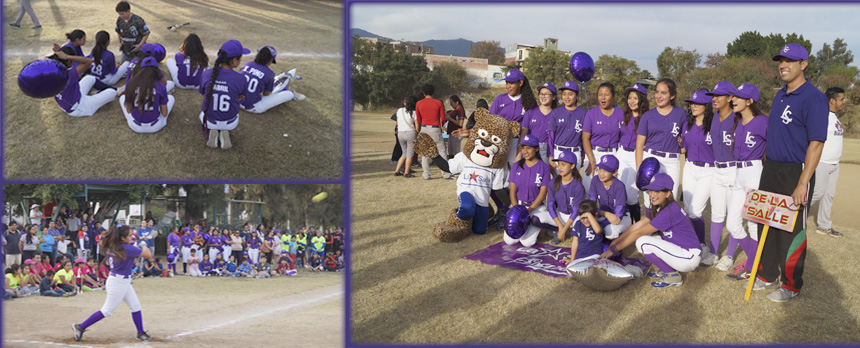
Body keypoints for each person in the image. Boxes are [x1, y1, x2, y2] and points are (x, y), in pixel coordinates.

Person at [755, 44, 828, 302]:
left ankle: (791, 284)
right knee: (767, 222)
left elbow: (816, 144)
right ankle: (766, 274)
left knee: (791, 229)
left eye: (790, 60)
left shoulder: (814, 98)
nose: (783, 65)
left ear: (803, 64)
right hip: (772, 168)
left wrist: (803, 182)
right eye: (780, 60)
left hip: (795, 171)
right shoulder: (780, 95)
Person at [600, 173, 701, 288]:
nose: (652, 195)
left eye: (657, 191)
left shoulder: (670, 211)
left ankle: (672, 276)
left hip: (688, 257)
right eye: (651, 190)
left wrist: (614, 250)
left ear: (668, 193)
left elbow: (639, 232)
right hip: (682, 250)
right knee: (651, 238)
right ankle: (669, 270)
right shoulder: (660, 206)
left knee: (642, 242)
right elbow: (635, 227)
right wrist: (615, 242)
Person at [73, 225, 152, 341]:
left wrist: (136, 247)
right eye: (129, 236)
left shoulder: (113, 246)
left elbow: (133, 259)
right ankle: (80, 327)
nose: (132, 237)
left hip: (122, 281)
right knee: (107, 310)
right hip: (118, 282)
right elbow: (148, 254)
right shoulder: (127, 248)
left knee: (135, 306)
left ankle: (140, 332)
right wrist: (144, 244)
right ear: (122, 238)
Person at [723, 83, 768, 281]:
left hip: (755, 172)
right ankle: (755, 260)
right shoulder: (737, 122)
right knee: (732, 224)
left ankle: (752, 265)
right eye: (733, 97)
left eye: (738, 97)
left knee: (753, 224)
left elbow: (774, 148)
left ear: (750, 101)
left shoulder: (763, 122)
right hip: (738, 173)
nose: (733, 100)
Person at [706, 81, 741, 270]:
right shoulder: (714, 117)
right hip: (717, 169)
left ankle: (729, 256)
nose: (715, 98)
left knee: (733, 217)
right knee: (717, 213)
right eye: (714, 95)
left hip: (734, 170)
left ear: (730, 98)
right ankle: (712, 253)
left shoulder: (738, 118)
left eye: (720, 95)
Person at [680, 90, 717, 265]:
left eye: (697, 103)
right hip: (690, 167)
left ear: (706, 106)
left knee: (696, 210)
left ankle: (702, 245)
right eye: (691, 103)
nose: (693, 106)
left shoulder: (714, 125)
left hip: (709, 170)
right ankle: (692, 242)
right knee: (688, 208)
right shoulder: (687, 125)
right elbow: (684, 149)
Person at [636, 78, 686, 202]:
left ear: (672, 95)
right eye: (657, 92)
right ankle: (650, 221)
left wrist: (682, 143)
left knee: (670, 199)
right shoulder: (648, 115)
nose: (659, 96)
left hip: (672, 161)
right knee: (650, 200)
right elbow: (639, 144)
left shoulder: (681, 114)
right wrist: (638, 169)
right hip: (650, 159)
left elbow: (686, 140)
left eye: (663, 93)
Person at [199, 40, 251, 149]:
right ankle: (224, 130)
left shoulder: (207, 73)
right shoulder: (240, 78)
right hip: (230, 121)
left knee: (202, 113)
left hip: (210, 120)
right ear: (234, 60)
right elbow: (241, 98)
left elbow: (204, 95)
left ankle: (214, 129)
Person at [504, 135, 551, 247]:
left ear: (537, 149)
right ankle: (529, 225)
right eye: (523, 147)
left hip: (535, 208)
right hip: (518, 205)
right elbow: (512, 191)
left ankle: (539, 228)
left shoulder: (544, 167)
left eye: (529, 148)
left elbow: (543, 194)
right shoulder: (516, 166)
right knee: (510, 241)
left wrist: (528, 210)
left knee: (527, 243)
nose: (525, 151)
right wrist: (516, 210)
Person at [810, 87, 845, 238]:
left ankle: (824, 226)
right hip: (822, 162)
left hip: (834, 164)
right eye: (842, 99)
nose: (844, 102)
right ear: (832, 100)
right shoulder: (822, 116)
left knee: (828, 195)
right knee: (816, 193)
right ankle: (793, 216)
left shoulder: (835, 117)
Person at [50, 44, 119, 117]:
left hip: (69, 103)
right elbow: (88, 61)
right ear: (69, 60)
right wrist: (66, 56)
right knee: (112, 93)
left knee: (89, 78)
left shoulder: (52, 71)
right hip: (79, 108)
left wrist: (60, 54)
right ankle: (115, 90)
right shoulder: (69, 74)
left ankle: (107, 91)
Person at [582, 82, 624, 193]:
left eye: (606, 94)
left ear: (613, 96)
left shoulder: (620, 113)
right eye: (600, 94)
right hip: (594, 154)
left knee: (611, 192)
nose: (603, 97)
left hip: (614, 154)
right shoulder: (591, 114)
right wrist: (591, 160)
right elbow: (585, 139)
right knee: (588, 190)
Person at [239, 45, 305, 113]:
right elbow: (266, 94)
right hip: (253, 107)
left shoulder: (247, 64)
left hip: (236, 101)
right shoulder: (270, 73)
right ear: (270, 59)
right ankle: (292, 94)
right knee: (288, 93)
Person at [490, 68, 535, 165]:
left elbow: (527, 127)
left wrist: (521, 149)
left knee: (512, 172)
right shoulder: (500, 99)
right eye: (507, 82)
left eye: (511, 83)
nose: (508, 86)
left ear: (520, 83)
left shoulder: (528, 102)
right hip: (499, 141)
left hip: (516, 142)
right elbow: (490, 121)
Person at [619, 84, 650, 222]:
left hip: (636, 156)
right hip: (621, 154)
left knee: (631, 196)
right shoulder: (623, 115)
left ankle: (636, 223)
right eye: (629, 97)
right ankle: (624, 223)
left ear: (642, 100)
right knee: (619, 191)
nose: (631, 101)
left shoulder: (648, 118)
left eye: (635, 98)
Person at [121, 57, 175, 133]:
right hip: (155, 125)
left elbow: (128, 111)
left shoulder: (131, 84)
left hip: (135, 125)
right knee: (171, 98)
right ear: (157, 70)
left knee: (122, 98)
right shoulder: (160, 85)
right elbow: (164, 114)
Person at [588, 154, 631, 240]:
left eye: (606, 170)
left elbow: (618, 215)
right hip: (603, 215)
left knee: (609, 231)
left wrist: (601, 223)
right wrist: (604, 214)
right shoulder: (595, 180)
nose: (601, 173)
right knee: (586, 222)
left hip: (621, 217)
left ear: (614, 172)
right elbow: (591, 205)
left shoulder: (619, 186)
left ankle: (621, 237)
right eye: (600, 169)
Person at [548, 81, 586, 175]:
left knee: (574, 181)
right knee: (558, 182)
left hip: (575, 152)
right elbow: (551, 136)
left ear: (577, 96)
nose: (566, 97)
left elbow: (585, 137)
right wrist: (551, 155)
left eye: (570, 94)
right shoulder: (556, 112)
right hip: (558, 152)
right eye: (564, 94)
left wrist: (583, 154)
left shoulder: (583, 113)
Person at [416, 84, 452, 180]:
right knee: (442, 151)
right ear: (433, 92)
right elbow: (443, 119)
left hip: (424, 128)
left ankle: (426, 174)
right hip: (435, 128)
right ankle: (446, 173)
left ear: (423, 92)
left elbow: (418, 119)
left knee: (425, 153)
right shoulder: (438, 103)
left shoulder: (419, 103)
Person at [563, 200, 610, 265]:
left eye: (588, 218)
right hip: (581, 256)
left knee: (594, 267)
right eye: (583, 218)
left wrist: (589, 214)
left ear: (595, 215)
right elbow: (575, 243)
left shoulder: (598, 225)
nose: (586, 220)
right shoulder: (578, 224)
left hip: (595, 255)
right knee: (570, 269)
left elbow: (598, 230)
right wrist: (572, 259)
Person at [523, 83, 558, 164]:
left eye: (546, 94)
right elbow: (524, 132)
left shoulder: (556, 114)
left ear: (553, 97)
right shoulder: (530, 112)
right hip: (530, 147)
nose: (543, 96)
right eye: (541, 94)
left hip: (546, 149)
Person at [394, 96, 419, 177]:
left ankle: (397, 171)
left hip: (400, 133)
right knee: (410, 154)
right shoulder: (414, 112)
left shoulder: (399, 110)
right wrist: (418, 133)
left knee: (404, 153)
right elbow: (417, 127)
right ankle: (407, 172)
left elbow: (397, 123)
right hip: (410, 133)